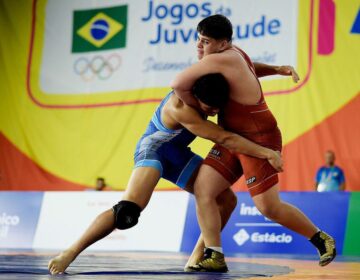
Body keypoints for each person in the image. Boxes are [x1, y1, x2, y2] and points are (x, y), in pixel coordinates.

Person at [48, 73, 283, 275]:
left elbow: (243, 70)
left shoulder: (206, 83)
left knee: (227, 200)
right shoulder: (180, 107)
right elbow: (226, 138)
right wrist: (266, 152)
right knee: (127, 212)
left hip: (177, 153)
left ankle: (197, 260)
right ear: (196, 97)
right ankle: (69, 253)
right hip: (153, 150)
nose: (213, 112)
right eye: (209, 108)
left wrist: (276, 69)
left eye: (216, 108)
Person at [171, 14, 336, 272]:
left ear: (223, 43)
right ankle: (215, 255)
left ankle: (320, 238)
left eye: (206, 41)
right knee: (204, 190)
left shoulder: (220, 58)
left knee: (268, 207)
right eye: (199, 39)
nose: (200, 47)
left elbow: (177, 84)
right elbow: (250, 69)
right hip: (233, 138)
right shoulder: (233, 54)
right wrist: (277, 69)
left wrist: (195, 107)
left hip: (260, 138)